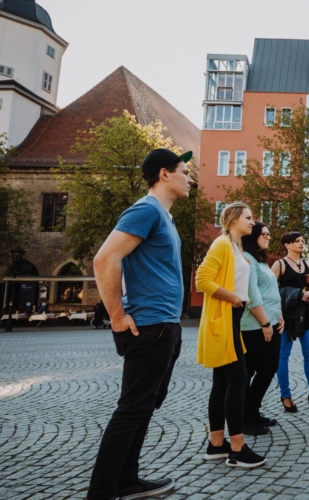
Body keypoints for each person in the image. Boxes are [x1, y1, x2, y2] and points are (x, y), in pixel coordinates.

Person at [86, 148, 192, 500]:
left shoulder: (165, 217)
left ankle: (126, 480)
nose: (189, 177)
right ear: (165, 174)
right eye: (185, 171)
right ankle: (101, 492)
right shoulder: (146, 210)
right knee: (132, 408)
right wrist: (117, 316)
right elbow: (105, 259)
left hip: (165, 326)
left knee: (144, 406)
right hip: (148, 327)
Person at [196, 202, 268, 469]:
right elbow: (202, 280)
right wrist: (236, 298)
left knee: (223, 382)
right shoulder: (223, 244)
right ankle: (237, 448)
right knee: (238, 380)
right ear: (235, 219)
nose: (253, 222)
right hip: (225, 317)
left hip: (231, 319)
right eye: (249, 217)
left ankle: (217, 443)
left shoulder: (235, 246)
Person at [272, 231, 309, 413]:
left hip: (305, 315)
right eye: (297, 241)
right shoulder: (279, 265)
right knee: (282, 356)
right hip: (286, 315)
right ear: (287, 244)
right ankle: (286, 396)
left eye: (303, 241)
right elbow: (270, 292)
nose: (301, 244)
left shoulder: (307, 265)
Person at [240, 223, 284, 436]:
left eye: (269, 233)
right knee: (248, 372)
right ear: (253, 236)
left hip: (272, 322)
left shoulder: (261, 260)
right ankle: (244, 419)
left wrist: (279, 315)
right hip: (255, 325)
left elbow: (271, 290)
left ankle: (253, 410)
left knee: (269, 368)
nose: (268, 236)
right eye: (264, 234)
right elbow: (253, 294)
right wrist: (266, 323)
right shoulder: (248, 259)